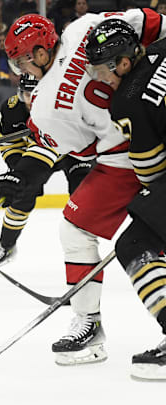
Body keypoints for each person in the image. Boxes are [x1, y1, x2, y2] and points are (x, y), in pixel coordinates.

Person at [3, 10, 166, 366]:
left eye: (21, 63)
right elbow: (148, 21)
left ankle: (88, 324)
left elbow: (75, 149)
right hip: (149, 131)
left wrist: (23, 171)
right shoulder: (82, 28)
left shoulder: (45, 107)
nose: (22, 72)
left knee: (77, 230)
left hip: (125, 156)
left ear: (40, 54)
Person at [84, 18, 166, 380]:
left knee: (134, 243)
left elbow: (151, 171)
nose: (99, 78)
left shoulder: (127, 100)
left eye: (102, 69)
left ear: (125, 62)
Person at [0, 74, 93, 271]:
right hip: (36, 156)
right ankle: (6, 246)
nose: (31, 100)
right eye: (26, 94)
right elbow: (9, 143)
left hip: (72, 153)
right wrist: (18, 168)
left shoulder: (63, 104)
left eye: (36, 93)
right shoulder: (12, 109)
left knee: (82, 194)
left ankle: (85, 253)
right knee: (21, 194)